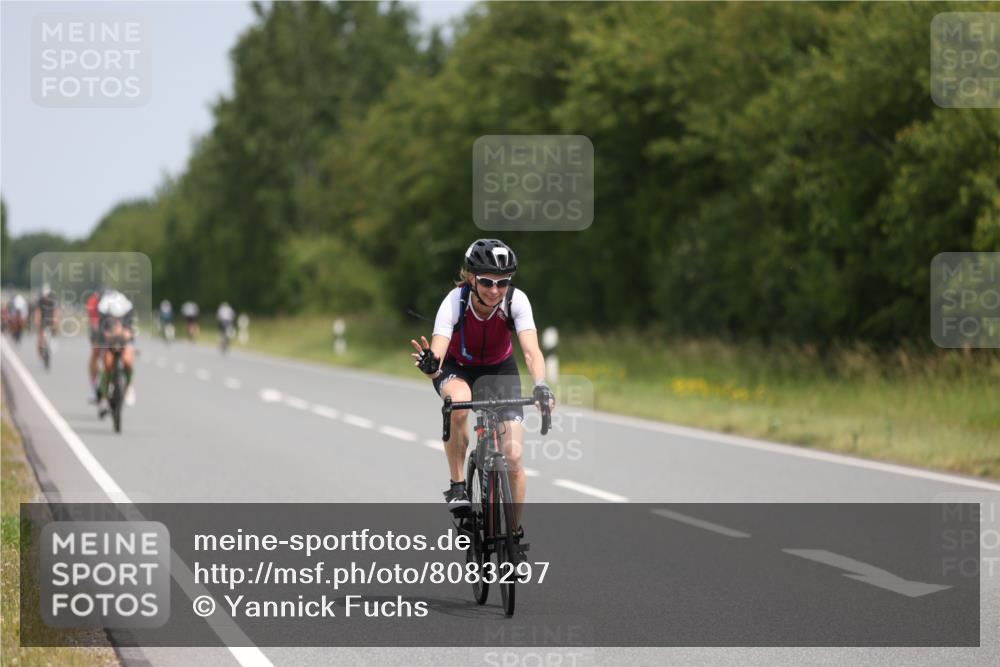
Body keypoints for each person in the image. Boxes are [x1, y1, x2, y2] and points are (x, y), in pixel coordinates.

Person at [409, 239, 555, 536]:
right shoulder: (455, 301)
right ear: (472, 278)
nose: (494, 290)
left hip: (499, 370)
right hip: (457, 368)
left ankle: (514, 535)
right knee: (459, 402)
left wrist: (541, 385)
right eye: (487, 282)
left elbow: (531, 351)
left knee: (513, 458)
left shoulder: (517, 301)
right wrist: (430, 364)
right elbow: (437, 355)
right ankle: (458, 486)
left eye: (503, 283)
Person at [96, 289, 137, 412]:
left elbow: (130, 332)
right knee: (107, 364)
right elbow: (102, 333)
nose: (117, 320)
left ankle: (129, 386)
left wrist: (127, 334)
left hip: (123, 342)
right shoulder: (104, 312)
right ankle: (103, 397)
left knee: (128, 360)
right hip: (109, 342)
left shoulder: (127, 310)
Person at [34, 283, 59, 362]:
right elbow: (38, 312)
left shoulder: (53, 300)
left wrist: (56, 322)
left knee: (54, 329)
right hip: (42, 318)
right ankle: (40, 351)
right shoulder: (40, 301)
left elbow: (56, 311)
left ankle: (52, 341)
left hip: (50, 318)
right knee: (40, 337)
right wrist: (37, 322)